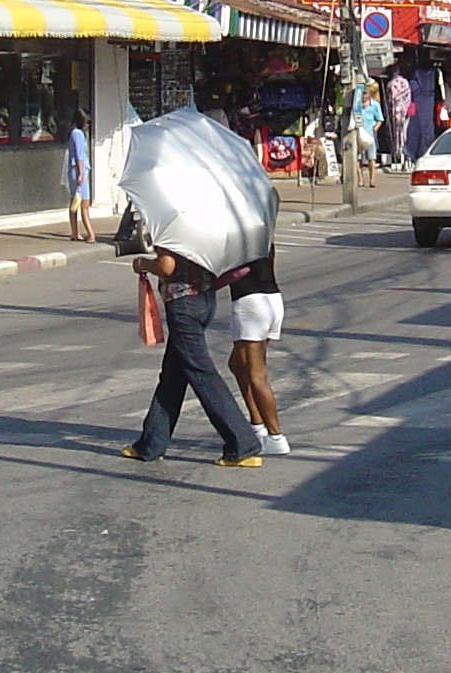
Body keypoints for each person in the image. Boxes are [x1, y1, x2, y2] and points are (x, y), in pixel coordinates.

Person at [123, 247, 262, 467]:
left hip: (183, 304)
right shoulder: (197, 223)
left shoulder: (168, 227)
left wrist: (142, 263)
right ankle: (151, 444)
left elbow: (166, 266)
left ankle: (242, 442)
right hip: (205, 299)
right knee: (172, 377)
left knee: (202, 374)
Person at [226, 253, 288, 456]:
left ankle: (276, 436)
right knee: (237, 364)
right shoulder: (263, 227)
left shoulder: (233, 230)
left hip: (249, 301)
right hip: (272, 298)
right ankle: (257, 424)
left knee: (256, 374)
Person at [65, 109, 94, 243]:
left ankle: (75, 232)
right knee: (83, 203)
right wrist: (81, 173)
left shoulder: (74, 134)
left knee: (75, 202)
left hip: (75, 171)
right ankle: (90, 233)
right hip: (78, 171)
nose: (87, 125)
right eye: (86, 122)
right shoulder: (78, 134)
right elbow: (79, 155)